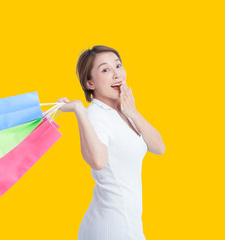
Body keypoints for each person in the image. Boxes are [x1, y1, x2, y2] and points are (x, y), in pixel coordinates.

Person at [57, 45, 165, 240]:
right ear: (90, 83)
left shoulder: (123, 112)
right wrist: (80, 110)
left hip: (127, 223)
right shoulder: (97, 115)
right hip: (112, 228)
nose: (117, 74)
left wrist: (132, 111)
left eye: (118, 65)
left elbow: (159, 147)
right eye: (106, 70)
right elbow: (98, 161)